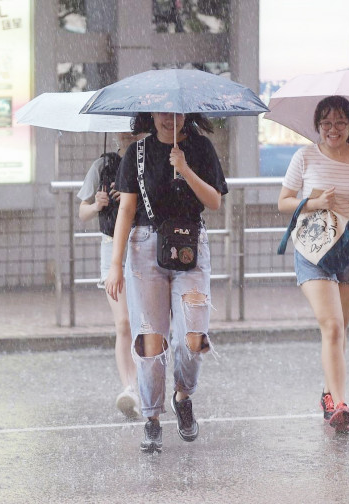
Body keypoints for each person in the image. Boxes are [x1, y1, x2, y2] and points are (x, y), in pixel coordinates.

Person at [105, 111, 228, 453]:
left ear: (186, 113)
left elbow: (214, 201)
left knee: (193, 336)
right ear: (151, 114)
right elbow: (126, 211)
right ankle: (151, 418)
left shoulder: (201, 148)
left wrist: (185, 168)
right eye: (162, 111)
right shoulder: (137, 153)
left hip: (191, 246)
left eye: (176, 112)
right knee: (150, 339)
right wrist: (115, 264)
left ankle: (183, 396)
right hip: (145, 247)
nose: (168, 119)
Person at [277, 95, 349, 432]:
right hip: (313, 244)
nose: (333, 129)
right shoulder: (305, 156)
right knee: (333, 326)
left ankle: (329, 394)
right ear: (317, 126)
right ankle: (339, 404)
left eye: (340, 122)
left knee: (340, 331)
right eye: (326, 122)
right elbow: (283, 202)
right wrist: (313, 202)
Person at [77, 131, 146, 419]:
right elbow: (83, 211)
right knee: (123, 323)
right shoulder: (102, 165)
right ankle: (129, 388)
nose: (128, 134)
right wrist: (98, 204)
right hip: (110, 249)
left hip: (142, 245)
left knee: (145, 324)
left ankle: (147, 387)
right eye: (124, 130)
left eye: (135, 128)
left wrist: (133, 196)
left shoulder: (147, 162)